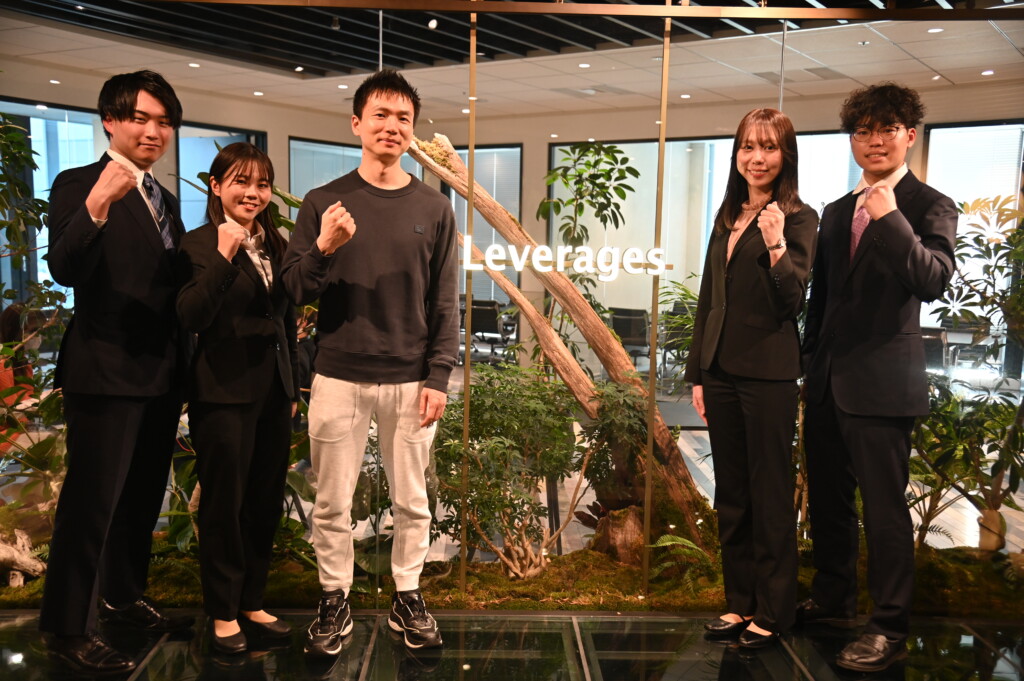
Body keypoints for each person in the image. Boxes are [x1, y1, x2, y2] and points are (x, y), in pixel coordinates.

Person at [281, 68, 458, 655]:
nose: (392, 126)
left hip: (411, 380)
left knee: (413, 502)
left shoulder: (434, 207)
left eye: (403, 118)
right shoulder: (322, 202)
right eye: (380, 115)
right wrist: (325, 246)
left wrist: (439, 375)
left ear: (413, 130)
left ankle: (407, 594)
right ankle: (335, 598)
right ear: (356, 123)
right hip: (337, 375)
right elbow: (294, 290)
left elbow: (445, 301)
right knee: (331, 502)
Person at [40, 70, 193, 674]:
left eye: (164, 121)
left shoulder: (165, 200)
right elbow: (63, 267)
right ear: (110, 120)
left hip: (160, 373)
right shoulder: (77, 182)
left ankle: (123, 599)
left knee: (141, 498)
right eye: (141, 118)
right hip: (104, 372)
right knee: (91, 504)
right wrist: (99, 203)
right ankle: (67, 627)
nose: (154, 131)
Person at [800, 83, 956, 672]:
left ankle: (889, 627)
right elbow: (822, 300)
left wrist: (890, 217)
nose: (874, 141)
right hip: (827, 381)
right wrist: (809, 365)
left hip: (884, 385)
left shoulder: (930, 205)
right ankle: (834, 597)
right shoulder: (838, 211)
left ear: (909, 135)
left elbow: (932, 280)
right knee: (829, 502)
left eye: (886, 129)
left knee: (885, 510)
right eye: (862, 131)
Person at [684, 108, 818, 649]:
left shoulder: (800, 218)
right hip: (719, 371)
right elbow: (708, 300)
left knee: (769, 492)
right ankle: (739, 602)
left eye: (768, 147)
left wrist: (777, 243)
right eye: (747, 146)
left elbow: (792, 301)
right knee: (732, 494)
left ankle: (775, 609)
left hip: (768, 374)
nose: (756, 158)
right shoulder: (727, 216)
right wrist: (698, 373)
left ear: (786, 155)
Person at [177, 143, 299, 655]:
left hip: (273, 392)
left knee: (264, 501)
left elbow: (285, 320)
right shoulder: (197, 244)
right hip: (222, 393)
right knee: (224, 504)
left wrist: (292, 386)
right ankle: (223, 610)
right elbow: (192, 315)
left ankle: (251, 601)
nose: (253, 193)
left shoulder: (277, 244)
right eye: (241, 182)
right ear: (216, 186)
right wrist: (225, 255)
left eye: (262, 184)